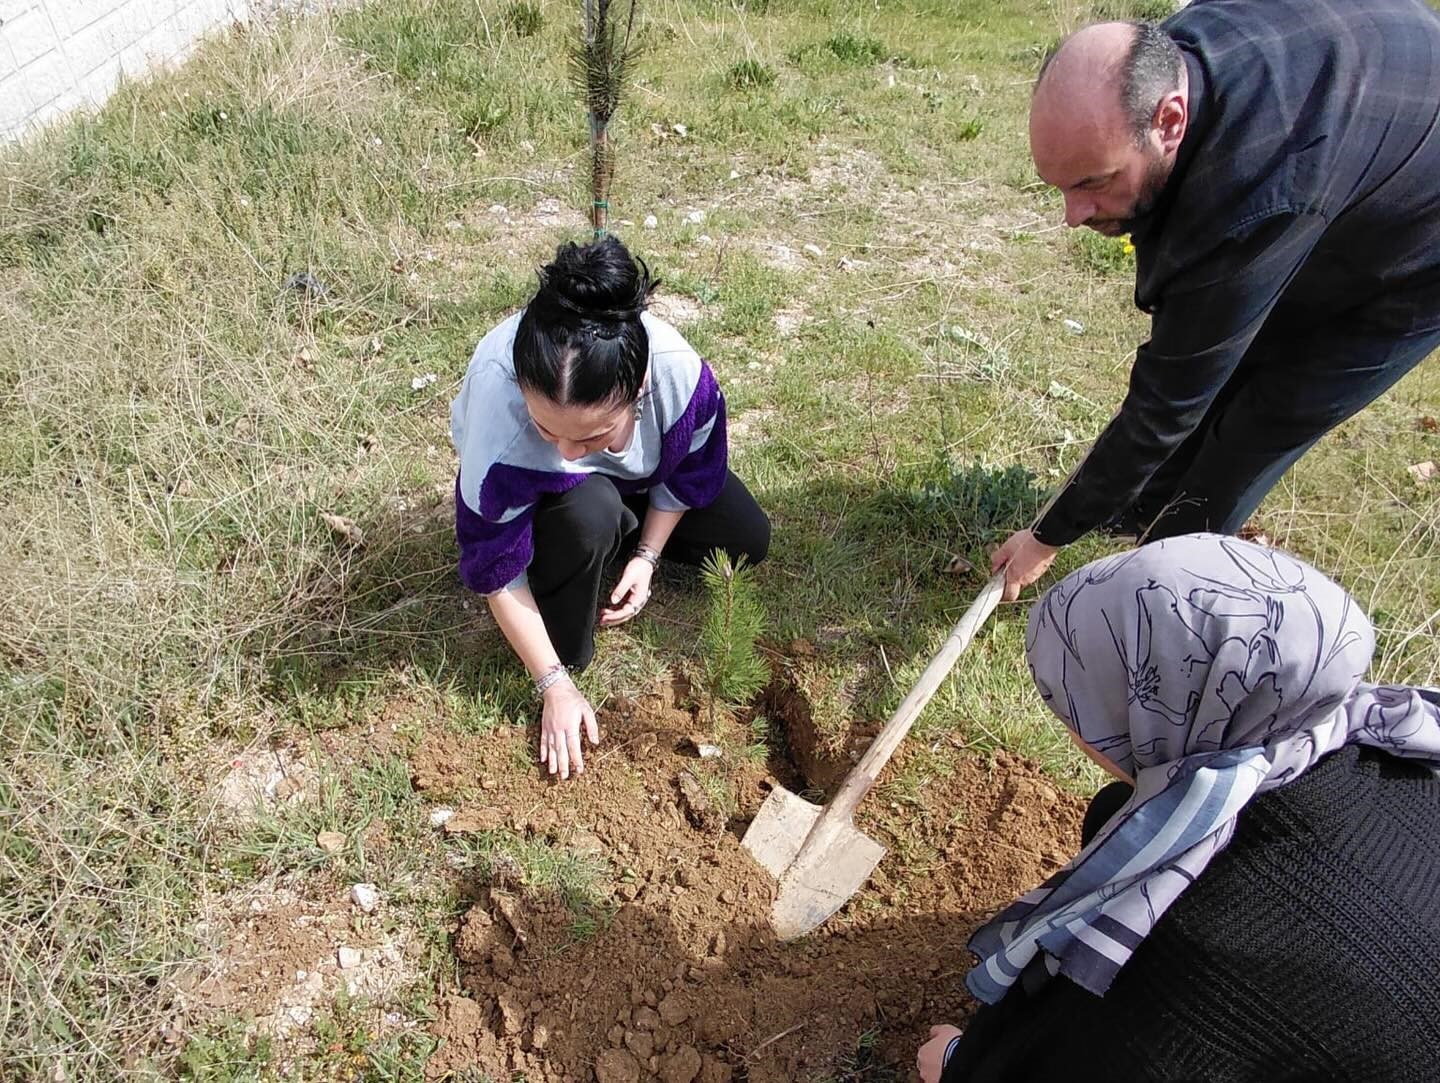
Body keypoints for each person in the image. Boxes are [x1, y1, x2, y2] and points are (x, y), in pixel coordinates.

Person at [918, 533, 1440, 1081]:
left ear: (1148, 713)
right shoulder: (1380, 748)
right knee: (1117, 807)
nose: (1066, 717)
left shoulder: (1190, 951)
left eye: (1075, 697)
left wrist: (962, 1066)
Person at [992, 0, 1440, 602]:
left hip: (1421, 249)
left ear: (1170, 121)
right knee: (1229, 350)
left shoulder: (1258, 187)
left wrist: (1046, 538)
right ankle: (1139, 506)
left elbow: (1167, 403)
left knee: (1266, 414)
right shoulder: (1174, 57)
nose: (1072, 216)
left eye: (1092, 183)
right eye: (1061, 186)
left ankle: (1167, 595)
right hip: (1370, 110)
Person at [449, 236, 769, 780]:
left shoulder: (679, 379)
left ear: (639, 388)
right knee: (588, 522)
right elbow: (495, 570)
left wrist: (646, 556)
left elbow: (691, 471)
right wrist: (554, 682)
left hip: (637, 482)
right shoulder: (499, 426)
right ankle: (594, 534)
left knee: (746, 537)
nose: (565, 451)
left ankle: (620, 533)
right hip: (563, 503)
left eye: (594, 434)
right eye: (546, 429)